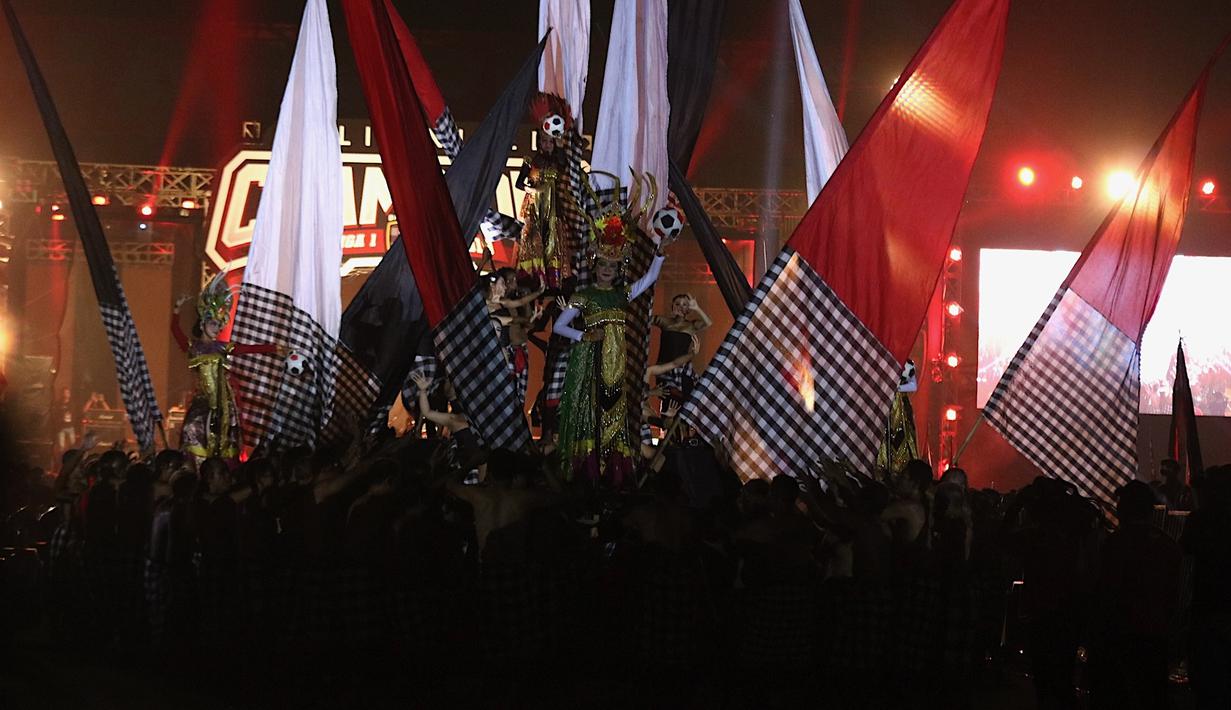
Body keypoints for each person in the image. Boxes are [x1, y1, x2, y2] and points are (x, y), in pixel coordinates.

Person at [553, 171, 672, 486]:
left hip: (618, 361)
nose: (607, 271)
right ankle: (588, 469)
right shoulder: (584, 296)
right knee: (591, 411)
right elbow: (559, 326)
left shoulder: (622, 294)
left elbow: (647, 282)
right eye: (603, 266)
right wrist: (583, 335)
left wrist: (659, 253)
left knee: (614, 410)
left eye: (611, 267)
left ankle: (611, 466)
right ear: (595, 266)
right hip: (591, 359)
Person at [171, 273, 280, 460]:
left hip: (224, 404)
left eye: (220, 325)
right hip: (203, 402)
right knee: (192, 432)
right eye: (214, 323)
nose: (218, 328)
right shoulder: (193, 347)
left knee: (226, 441)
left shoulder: (223, 348)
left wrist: (275, 348)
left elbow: (247, 349)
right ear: (203, 322)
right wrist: (177, 309)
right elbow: (175, 330)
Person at [651, 294, 711, 410]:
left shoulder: (691, 325)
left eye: (684, 304)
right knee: (668, 402)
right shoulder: (665, 321)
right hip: (665, 369)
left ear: (688, 309)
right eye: (677, 304)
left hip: (683, 370)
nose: (680, 307)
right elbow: (647, 318)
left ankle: (683, 426)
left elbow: (708, 322)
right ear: (672, 306)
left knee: (685, 405)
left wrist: (697, 308)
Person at [49, 387, 77, 458]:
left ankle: (71, 458)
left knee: (73, 444)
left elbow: (74, 414)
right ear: (62, 394)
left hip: (70, 426)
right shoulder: (58, 404)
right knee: (61, 446)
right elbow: (55, 414)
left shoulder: (72, 403)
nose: (66, 394)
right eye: (65, 392)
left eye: (68, 393)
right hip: (61, 427)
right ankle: (61, 460)